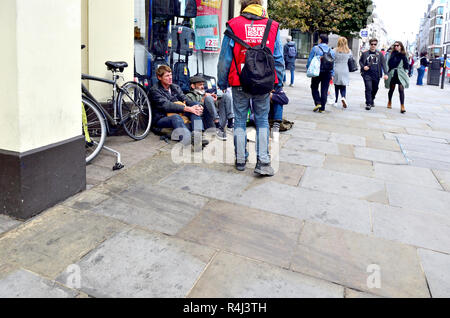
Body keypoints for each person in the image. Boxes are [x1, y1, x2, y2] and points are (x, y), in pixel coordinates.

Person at [217, 0, 284, 176]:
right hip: (263, 82)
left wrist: (222, 81)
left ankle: (240, 159)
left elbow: (224, 58)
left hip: (239, 81)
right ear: (260, 6)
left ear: (243, 6)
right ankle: (263, 161)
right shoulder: (272, 26)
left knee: (239, 120)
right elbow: (278, 57)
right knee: (262, 120)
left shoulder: (233, 25)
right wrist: (279, 82)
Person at [149, 65, 209, 150]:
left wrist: (197, 106)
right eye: (167, 76)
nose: (170, 78)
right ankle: (188, 139)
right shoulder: (155, 90)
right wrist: (187, 108)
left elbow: (185, 99)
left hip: (179, 113)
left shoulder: (175, 87)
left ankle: (198, 136)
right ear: (159, 77)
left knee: (194, 106)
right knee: (176, 118)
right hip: (162, 118)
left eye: (171, 75)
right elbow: (166, 106)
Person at [185, 75, 231, 140]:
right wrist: (203, 100)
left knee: (226, 95)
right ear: (193, 86)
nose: (202, 87)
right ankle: (217, 126)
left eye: (203, 85)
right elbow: (195, 111)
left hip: (219, 120)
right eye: (200, 85)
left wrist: (215, 101)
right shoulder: (188, 96)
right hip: (208, 122)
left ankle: (230, 123)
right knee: (208, 98)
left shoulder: (206, 94)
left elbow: (216, 108)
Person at [306, 33, 335, 113]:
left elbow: (310, 60)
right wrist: (332, 74)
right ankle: (322, 108)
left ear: (320, 40)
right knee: (324, 90)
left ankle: (318, 102)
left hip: (317, 71)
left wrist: (308, 68)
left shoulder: (315, 48)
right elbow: (333, 63)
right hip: (327, 72)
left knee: (314, 87)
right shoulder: (331, 50)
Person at [359, 38, 388, 111]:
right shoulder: (365, 53)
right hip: (367, 74)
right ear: (370, 45)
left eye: (375, 44)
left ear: (376, 45)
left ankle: (372, 99)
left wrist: (386, 73)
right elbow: (360, 62)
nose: (373, 46)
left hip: (376, 74)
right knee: (368, 88)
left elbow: (384, 64)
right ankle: (368, 103)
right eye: (372, 44)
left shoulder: (380, 54)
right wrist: (363, 67)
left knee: (375, 88)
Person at [385, 41, 409, 114]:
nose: (396, 47)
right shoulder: (390, 54)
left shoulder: (404, 55)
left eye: (397, 45)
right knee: (392, 88)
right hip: (392, 73)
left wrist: (406, 71)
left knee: (401, 89)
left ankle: (402, 106)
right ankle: (389, 101)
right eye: (394, 45)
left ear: (401, 46)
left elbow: (406, 64)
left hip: (400, 73)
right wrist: (386, 73)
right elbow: (387, 63)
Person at [333, 36, 352, 109]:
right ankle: (343, 97)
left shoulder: (335, 50)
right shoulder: (349, 51)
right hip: (345, 69)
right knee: (343, 86)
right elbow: (350, 59)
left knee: (336, 86)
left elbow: (332, 59)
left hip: (337, 69)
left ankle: (335, 101)